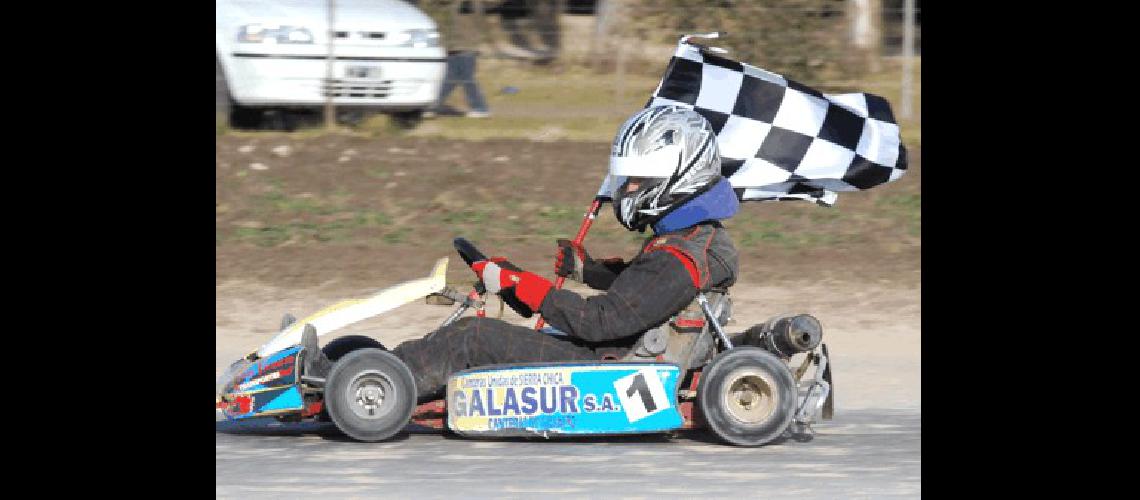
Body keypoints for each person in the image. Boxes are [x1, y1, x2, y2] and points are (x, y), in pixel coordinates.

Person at [390, 105, 741, 403]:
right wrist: (588, 271)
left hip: (614, 375)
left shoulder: (681, 256)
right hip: (617, 353)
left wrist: (524, 285)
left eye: (636, 180)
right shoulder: (694, 240)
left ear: (676, 178)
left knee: (472, 338)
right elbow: (644, 292)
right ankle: (370, 369)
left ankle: (376, 385)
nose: (626, 189)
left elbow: (600, 321)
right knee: (479, 340)